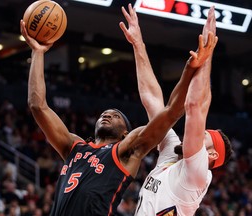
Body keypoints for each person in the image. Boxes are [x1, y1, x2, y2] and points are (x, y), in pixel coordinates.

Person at [19, 5, 217, 215]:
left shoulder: (126, 150)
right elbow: (37, 106)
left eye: (116, 115)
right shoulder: (73, 147)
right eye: (106, 113)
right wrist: (38, 52)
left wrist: (189, 70)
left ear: (125, 133)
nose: (108, 114)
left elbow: (171, 112)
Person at [120, 4, 233, 216]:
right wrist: (138, 44)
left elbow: (195, 106)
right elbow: (152, 100)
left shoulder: (197, 174)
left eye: (203, 135)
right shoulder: (172, 154)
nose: (196, 133)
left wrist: (206, 55)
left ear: (211, 154)